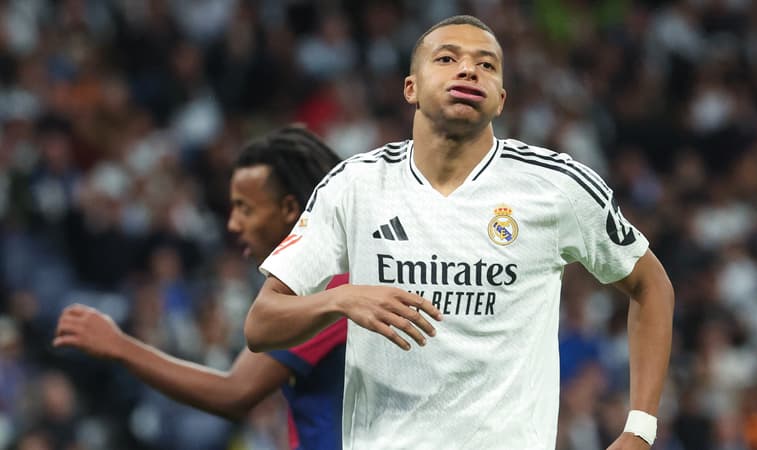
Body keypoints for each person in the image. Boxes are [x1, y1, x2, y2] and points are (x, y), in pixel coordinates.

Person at [245, 15, 674, 450]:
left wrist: (640, 428)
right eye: (447, 59)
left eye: (486, 65)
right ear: (410, 88)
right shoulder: (354, 186)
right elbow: (261, 324)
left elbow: (651, 285)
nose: (469, 70)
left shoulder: (556, 186)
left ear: (501, 100)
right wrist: (341, 299)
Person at [53, 126, 346, 450]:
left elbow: (234, 393)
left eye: (247, 209)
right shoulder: (343, 273)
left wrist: (119, 346)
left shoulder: (323, 285)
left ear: (289, 209)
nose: (233, 223)